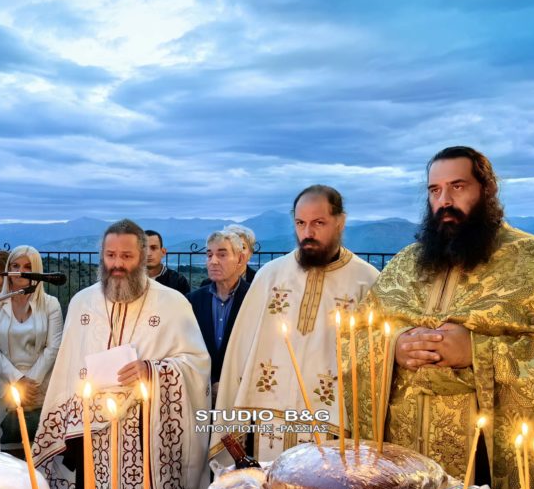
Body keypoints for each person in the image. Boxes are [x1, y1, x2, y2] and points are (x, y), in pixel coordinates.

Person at [355, 146, 534, 489]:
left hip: (489, 454)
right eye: (434, 190)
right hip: (407, 450)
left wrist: (478, 351)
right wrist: (394, 347)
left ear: (487, 190)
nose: (444, 201)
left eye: (457, 186)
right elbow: (360, 334)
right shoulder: (405, 264)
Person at [33, 219, 211, 489]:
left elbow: (196, 365)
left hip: (146, 434)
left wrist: (153, 370)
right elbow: (69, 366)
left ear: (143, 257)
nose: (117, 264)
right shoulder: (82, 303)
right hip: (94, 436)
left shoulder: (173, 304)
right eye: (111, 255)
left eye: (126, 256)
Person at [215, 186, 379, 461]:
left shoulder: (366, 280)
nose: (308, 233)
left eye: (319, 223)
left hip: (333, 425)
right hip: (268, 421)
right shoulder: (270, 276)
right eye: (301, 223)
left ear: (340, 222)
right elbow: (240, 350)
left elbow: (375, 366)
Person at [0, 246, 64, 452]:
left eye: (28, 266)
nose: (21, 271)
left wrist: (31, 382)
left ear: (37, 270)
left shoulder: (51, 304)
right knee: (5, 454)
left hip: (39, 388)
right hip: (4, 386)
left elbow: (53, 346)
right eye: (15, 265)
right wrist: (18, 380)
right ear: (8, 268)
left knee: (38, 450)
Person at [188, 230, 251, 397]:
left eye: (222, 255)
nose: (213, 261)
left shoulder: (254, 299)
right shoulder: (193, 301)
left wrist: (229, 386)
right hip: (203, 394)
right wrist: (209, 382)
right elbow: (188, 350)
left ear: (240, 259)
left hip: (242, 395)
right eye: (209, 255)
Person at [144, 229, 190, 294]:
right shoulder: (129, 281)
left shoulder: (178, 281)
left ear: (163, 252)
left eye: (153, 248)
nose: (148, 253)